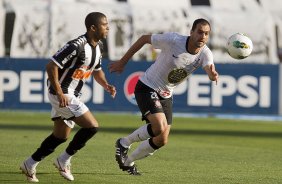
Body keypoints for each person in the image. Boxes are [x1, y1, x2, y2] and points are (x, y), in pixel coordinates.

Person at [109, 18, 219, 175]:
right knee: (158, 126)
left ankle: (128, 161)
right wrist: (123, 61)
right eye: (200, 32)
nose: (203, 36)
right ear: (191, 32)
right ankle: (124, 142)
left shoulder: (206, 53)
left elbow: (209, 68)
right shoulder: (174, 40)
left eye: (206, 34)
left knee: (162, 139)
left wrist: (212, 75)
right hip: (147, 86)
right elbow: (144, 39)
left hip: (166, 94)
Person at [20, 12, 116, 182]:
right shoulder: (76, 45)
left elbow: (96, 70)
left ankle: (29, 163)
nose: (108, 27)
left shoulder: (99, 46)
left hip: (72, 94)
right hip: (62, 94)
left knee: (60, 136)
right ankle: (63, 160)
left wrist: (106, 85)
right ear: (93, 27)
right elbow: (51, 66)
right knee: (92, 127)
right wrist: (59, 92)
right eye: (104, 24)